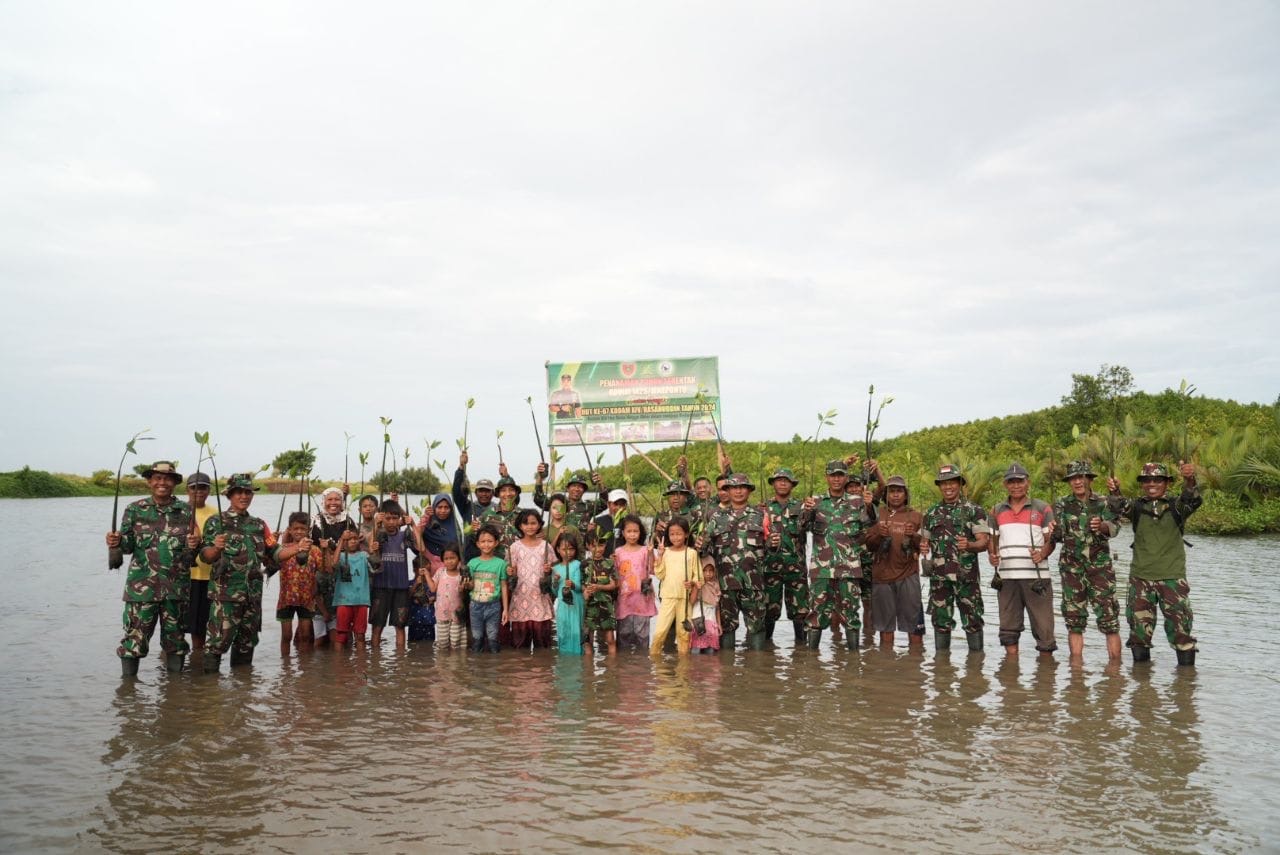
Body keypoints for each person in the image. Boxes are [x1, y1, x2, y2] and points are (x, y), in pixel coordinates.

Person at [105, 460, 199, 676]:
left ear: (174, 483)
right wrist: (115, 541)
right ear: (149, 481)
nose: (162, 482)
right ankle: (128, 694)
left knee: (176, 641)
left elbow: (191, 554)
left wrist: (194, 545)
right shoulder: (134, 510)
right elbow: (127, 546)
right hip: (141, 590)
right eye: (157, 478)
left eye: (167, 478)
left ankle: (175, 693)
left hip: (176, 591)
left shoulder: (187, 511)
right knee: (133, 642)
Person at [1106, 461, 1202, 666]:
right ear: (1142, 483)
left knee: (1181, 633)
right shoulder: (1137, 506)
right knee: (1139, 635)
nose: (1152, 484)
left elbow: (1192, 498)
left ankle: (1185, 688)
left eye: (1157, 480)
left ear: (1166, 482)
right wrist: (1115, 489)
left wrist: (1190, 478)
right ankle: (1142, 689)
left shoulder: (1177, 506)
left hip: (1172, 580)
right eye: (1147, 480)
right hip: (1140, 579)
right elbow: (1117, 506)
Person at [200, 472, 280, 672]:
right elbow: (205, 556)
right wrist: (217, 548)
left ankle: (243, 694)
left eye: (248, 492)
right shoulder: (216, 522)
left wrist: (298, 549)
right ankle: (210, 692)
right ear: (229, 495)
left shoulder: (259, 524)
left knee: (247, 642)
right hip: (225, 595)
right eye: (239, 493)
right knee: (217, 643)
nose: (244, 496)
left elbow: (276, 552)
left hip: (252, 596)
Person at [698, 472, 780, 651]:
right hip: (726, 584)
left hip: (754, 583)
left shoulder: (761, 515)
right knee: (727, 627)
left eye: (742, 487)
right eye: (734, 488)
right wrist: (700, 544)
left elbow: (771, 549)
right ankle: (728, 672)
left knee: (757, 626)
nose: (738, 491)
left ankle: (755, 671)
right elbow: (704, 550)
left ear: (749, 491)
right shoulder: (716, 518)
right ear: (727, 490)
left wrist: (773, 543)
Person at [801, 459, 875, 651]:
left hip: (848, 569)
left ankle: (853, 661)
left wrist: (870, 507)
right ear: (826, 477)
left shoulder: (857, 502)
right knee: (816, 613)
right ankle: (812, 660)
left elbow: (869, 527)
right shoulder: (815, 502)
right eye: (832, 475)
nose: (836, 479)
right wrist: (807, 511)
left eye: (840, 475)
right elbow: (802, 527)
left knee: (851, 614)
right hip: (821, 570)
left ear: (846, 478)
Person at [1052, 460, 1122, 662]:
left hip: (1100, 571)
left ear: (1090, 479)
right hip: (1071, 571)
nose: (1078, 482)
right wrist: (1051, 531)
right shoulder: (1061, 504)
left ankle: (1115, 672)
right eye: (1073, 478)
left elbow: (1116, 527)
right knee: (1074, 622)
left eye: (1082, 477)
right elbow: (1056, 535)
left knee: (1110, 621)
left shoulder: (1103, 502)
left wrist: (1102, 526)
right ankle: (1076, 673)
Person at [988, 462, 1057, 657]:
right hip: (1006, 578)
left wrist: (1042, 553)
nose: (1016, 485)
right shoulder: (995, 511)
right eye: (1011, 482)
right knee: (1008, 629)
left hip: (1037, 577)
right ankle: (1011, 677)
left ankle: (1045, 679)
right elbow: (992, 541)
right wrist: (992, 555)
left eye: (1020, 481)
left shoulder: (1042, 508)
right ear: (1005, 485)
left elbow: (1051, 540)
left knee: (1044, 629)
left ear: (1028, 483)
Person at [920, 464, 991, 651]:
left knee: (973, 620)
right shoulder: (931, 512)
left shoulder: (974, 510)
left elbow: (984, 542)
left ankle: (975, 671)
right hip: (939, 579)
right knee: (940, 622)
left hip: (966, 578)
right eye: (943, 484)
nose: (948, 487)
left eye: (952, 482)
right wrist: (922, 545)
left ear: (960, 484)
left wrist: (969, 545)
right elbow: (923, 541)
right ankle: (942, 671)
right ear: (939, 486)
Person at [863, 476, 925, 649]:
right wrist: (878, 534)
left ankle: (913, 670)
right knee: (885, 630)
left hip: (908, 576)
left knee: (915, 630)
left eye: (899, 491)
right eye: (892, 491)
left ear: (905, 495)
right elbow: (869, 545)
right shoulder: (876, 514)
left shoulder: (916, 516)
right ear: (886, 494)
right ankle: (886, 667)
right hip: (881, 577)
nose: (896, 495)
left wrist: (913, 535)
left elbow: (925, 546)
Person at [762, 467, 809, 644]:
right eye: (779, 480)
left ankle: (802, 653)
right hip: (770, 568)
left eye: (786, 480)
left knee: (801, 611)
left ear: (792, 484)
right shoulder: (763, 508)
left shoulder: (802, 507)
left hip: (796, 569)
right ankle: (766, 654)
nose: (782, 483)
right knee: (769, 610)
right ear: (773, 483)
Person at [369, 500, 423, 649]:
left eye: (395, 518)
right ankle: (375, 659)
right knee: (377, 626)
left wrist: (413, 525)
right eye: (388, 518)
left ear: (400, 519)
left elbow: (421, 548)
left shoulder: (404, 535)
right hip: (381, 586)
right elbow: (369, 548)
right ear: (382, 518)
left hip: (401, 587)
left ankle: (400, 662)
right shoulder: (378, 535)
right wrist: (375, 524)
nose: (391, 522)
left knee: (400, 626)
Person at [309, 486, 355, 647]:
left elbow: (354, 544)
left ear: (342, 502)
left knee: (342, 624)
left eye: (337, 499)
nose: (333, 503)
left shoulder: (347, 520)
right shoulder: (316, 520)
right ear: (324, 502)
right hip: (321, 572)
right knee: (317, 626)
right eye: (330, 499)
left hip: (343, 573)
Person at [505, 509, 556, 650]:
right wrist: (510, 571)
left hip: (540, 599)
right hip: (520, 599)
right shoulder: (514, 547)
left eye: (533, 523)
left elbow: (554, 570)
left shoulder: (546, 546)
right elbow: (511, 572)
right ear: (520, 526)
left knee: (543, 645)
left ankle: (542, 671)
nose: (530, 527)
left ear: (540, 524)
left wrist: (549, 570)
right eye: (526, 523)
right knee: (520, 646)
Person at [650, 518, 700, 655]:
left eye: (679, 533)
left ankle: (683, 670)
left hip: (685, 600)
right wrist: (659, 556)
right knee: (660, 632)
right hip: (667, 598)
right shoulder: (665, 552)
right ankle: (655, 661)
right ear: (668, 536)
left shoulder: (692, 553)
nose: (675, 537)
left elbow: (698, 577)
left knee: (683, 635)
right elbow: (659, 575)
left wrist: (692, 583)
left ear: (686, 534)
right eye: (672, 534)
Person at [275, 511, 322, 655]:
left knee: (306, 636)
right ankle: (286, 668)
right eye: (295, 528)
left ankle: (304, 670)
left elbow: (325, 569)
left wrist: (326, 549)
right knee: (286, 636)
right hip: (286, 599)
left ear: (308, 530)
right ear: (289, 529)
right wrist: (272, 541)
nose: (299, 532)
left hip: (306, 599)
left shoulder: (314, 550)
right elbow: (271, 562)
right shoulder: (283, 549)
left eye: (303, 529)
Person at [185, 471, 218, 654]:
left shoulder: (216, 513)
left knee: (201, 628)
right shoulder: (179, 510)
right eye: (194, 487)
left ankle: (198, 663)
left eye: (203, 487)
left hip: (208, 577)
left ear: (209, 490)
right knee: (175, 628)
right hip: (183, 578)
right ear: (187, 490)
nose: (199, 491)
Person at [613, 515, 656, 652]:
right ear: (623, 533)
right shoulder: (618, 552)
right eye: (629, 531)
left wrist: (651, 553)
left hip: (642, 599)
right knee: (623, 636)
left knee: (642, 636)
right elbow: (614, 575)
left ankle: (642, 668)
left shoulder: (645, 550)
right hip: (624, 600)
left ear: (640, 532)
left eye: (635, 531)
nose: (632, 535)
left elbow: (653, 569)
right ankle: (624, 669)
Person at [465, 525, 510, 653]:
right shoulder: (472, 563)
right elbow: (470, 585)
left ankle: (493, 669)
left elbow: (504, 586)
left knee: (493, 640)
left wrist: (505, 610)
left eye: (490, 541)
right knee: (477, 639)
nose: (486, 545)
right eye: (483, 541)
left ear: (496, 543)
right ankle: (475, 668)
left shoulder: (501, 563)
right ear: (478, 544)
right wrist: (465, 585)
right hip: (475, 606)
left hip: (494, 606)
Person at [330, 528, 372, 648]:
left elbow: (376, 566)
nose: (352, 541)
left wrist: (372, 549)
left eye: (355, 539)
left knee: (360, 635)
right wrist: (342, 540)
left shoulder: (364, 555)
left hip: (361, 600)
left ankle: (361, 664)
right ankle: (338, 664)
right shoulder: (341, 556)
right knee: (341, 634)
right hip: (344, 600)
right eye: (349, 539)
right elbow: (334, 563)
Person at [533, 468, 606, 534]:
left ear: (584, 491)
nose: (577, 489)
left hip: (581, 546)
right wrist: (540, 477)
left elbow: (604, 503)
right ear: (567, 488)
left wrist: (600, 483)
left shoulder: (588, 506)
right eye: (574, 486)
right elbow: (539, 499)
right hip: (559, 545)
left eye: (580, 487)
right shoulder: (558, 504)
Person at [425, 545, 467, 651]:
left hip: (457, 614)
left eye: (452, 558)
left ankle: (456, 665)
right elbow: (433, 588)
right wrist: (426, 574)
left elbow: (464, 595)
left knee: (456, 642)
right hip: (442, 613)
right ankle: (443, 665)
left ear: (459, 559)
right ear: (443, 560)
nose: (449, 561)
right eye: (446, 559)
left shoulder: (462, 575)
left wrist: (463, 589)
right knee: (443, 643)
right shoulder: (440, 572)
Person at [582, 532, 618, 654]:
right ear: (588, 546)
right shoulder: (584, 564)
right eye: (594, 546)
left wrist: (599, 587)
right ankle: (588, 670)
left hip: (606, 605)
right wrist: (585, 591)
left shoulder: (610, 563)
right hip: (590, 606)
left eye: (601, 545)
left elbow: (614, 585)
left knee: (610, 640)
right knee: (588, 640)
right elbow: (581, 583)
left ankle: (612, 669)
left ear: (605, 545)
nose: (598, 549)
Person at [552, 531, 586, 654]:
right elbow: (554, 592)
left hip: (576, 603)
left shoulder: (578, 565)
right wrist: (555, 582)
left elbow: (579, 586)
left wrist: (572, 585)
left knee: (577, 631)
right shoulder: (555, 568)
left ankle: (578, 658)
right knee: (563, 631)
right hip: (562, 604)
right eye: (564, 549)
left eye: (571, 549)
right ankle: (564, 660)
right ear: (558, 550)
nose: (568, 552)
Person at [477, 476, 522, 559]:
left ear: (516, 493)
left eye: (511, 490)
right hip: (496, 564)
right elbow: (477, 538)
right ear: (498, 494)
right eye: (503, 491)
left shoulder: (523, 515)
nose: (508, 494)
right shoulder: (487, 515)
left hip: (519, 562)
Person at [689, 565, 722, 655]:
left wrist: (719, 624)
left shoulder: (716, 585)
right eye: (705, 571)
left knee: (710, 650)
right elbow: (691, 602)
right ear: (700, 571)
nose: (708, 574)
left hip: (711, 621)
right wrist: (696, 587)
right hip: (698, 621)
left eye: (711, 571)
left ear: (714, 572)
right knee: (696, 650)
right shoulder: (697, 584)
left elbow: (717, 607)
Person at [651, 479, 693, 547]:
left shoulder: (694, 515)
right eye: (672, 494)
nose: (675, 498)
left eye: (679, 494)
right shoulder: (660, 516)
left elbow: (698, 541)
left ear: (685, 496)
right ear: (667, 497)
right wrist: (657, 533)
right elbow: (651, 543)